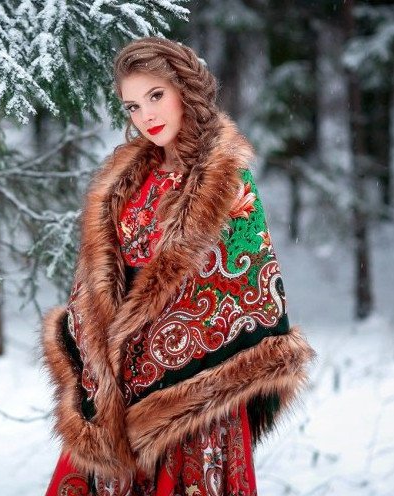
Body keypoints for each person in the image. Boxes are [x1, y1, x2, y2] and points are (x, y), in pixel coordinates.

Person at [40, 37, 315, 496]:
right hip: (116, 387)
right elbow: (94, 283)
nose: (146, 115)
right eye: (132, 106)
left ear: (185, 89)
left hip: (191, 397)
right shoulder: (124, 181)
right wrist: (102, 361)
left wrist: (157, 351)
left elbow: (244, 287)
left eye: (155, 96)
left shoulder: (226, 178)